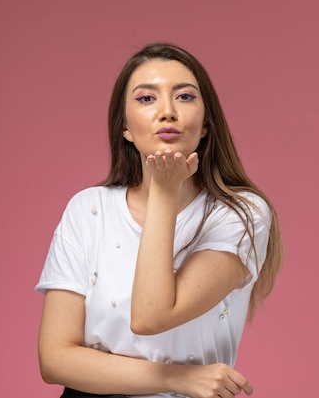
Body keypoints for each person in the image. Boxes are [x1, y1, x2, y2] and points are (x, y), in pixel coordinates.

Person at [36, 42, 283, 398]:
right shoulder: (88, 209)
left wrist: (165, 194)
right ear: (125, 128)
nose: (167, 111)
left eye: (184, 97)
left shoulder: (242, 212)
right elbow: (55, 360)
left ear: (205, 126)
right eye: (146, 99)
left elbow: (150, 316)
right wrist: (177, 379)